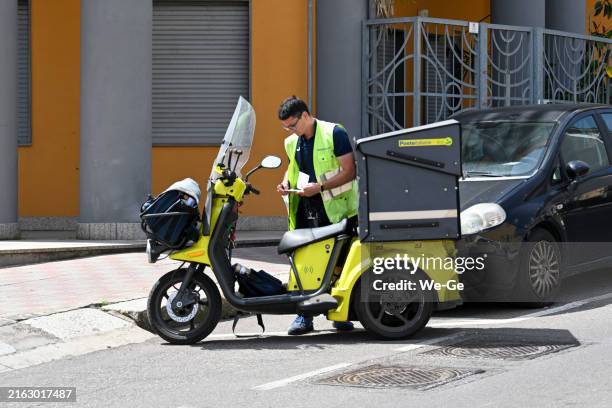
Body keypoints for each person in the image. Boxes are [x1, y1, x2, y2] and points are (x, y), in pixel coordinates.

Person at [276, 95, 358, 335]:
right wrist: (284, 183)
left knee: (339, 264)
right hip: (305, 209)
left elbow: (349, 171)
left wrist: (319, 188)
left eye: (293, 124)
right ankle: (304, 317)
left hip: (337, 211)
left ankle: (341, 313)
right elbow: (293, 170)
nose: (291, 130)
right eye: (286, 127)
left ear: (305, 115)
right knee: (305, 265)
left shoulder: (334, 133)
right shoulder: (292, 142)